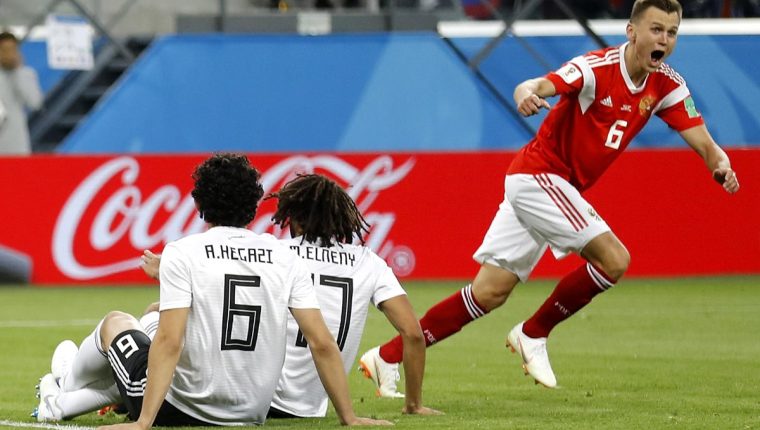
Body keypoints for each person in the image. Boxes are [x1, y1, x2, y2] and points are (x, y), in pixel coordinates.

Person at [359, 0, 740, 394]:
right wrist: (525, 93)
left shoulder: (667, 85)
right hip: (539, 178)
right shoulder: (596, 69)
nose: (664, 40)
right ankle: (534, 332)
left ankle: (387, 356)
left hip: (547, 187)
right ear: (631, 31)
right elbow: (537, 85)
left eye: (672, 33)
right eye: (656, 29)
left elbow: (706, 144)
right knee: (614, 259)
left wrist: (721, 165)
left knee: (488, 293)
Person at [33, 153, 390, 428]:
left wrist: (143, 422)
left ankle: (62, 388)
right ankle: (65, 395)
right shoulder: (283, 256)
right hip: (252, 410)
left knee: (117, 322)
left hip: (181, 408)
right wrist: (348, 417)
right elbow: (322, 342)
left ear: (198, 203)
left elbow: (170, 342)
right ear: (254, 204)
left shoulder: (183, 251)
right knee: (153, 320)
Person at [140, 174, 439, 417]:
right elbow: (413, 334)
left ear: (292, 217)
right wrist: (413, 404)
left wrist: (169, 271)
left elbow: (223, 293)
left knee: (159, 313)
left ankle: (135, 394)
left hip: (258, 396)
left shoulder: (278, 252)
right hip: (312, 405)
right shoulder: (369, 262)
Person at [0, 31, 42, 155]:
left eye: (12, 49)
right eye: (4, 50)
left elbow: (35, 103)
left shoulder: (27, 74)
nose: (9, 54)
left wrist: (18, 71)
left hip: (18, 145)